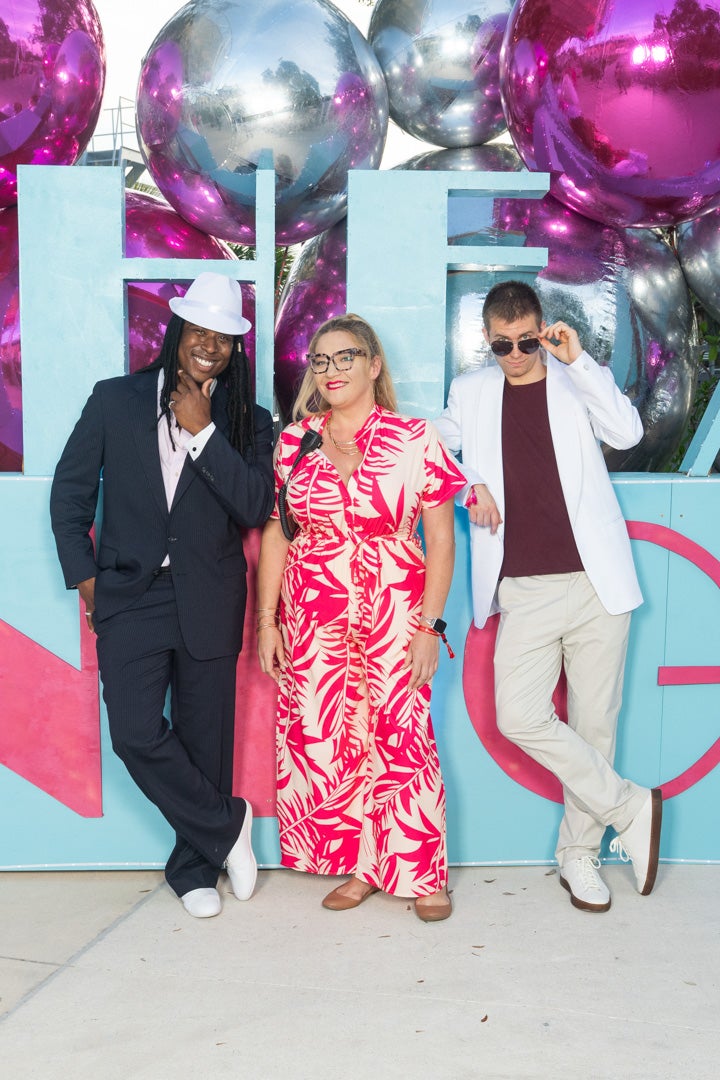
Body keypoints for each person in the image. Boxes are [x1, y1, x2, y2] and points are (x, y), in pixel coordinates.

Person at [50, 272, 274, 919]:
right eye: (199, 330)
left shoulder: (248, 421)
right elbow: (69, 496)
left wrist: (203, 433)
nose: (209, 345)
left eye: (223, 338)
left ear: (235, 348)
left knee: (206, 742)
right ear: (177, 330)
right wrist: (88, 581)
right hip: (130, 597)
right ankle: (229, 824)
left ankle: (194, 869)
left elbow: (255, 506)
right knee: (135, 732)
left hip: (210, 598)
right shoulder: (114, 400)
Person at [434, 280, 662, 913]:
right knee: (518, 715)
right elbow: (429, 448)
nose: (514, 354)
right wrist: (469, 484)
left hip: (596, 582)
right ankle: (629, 805)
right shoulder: (471, 392)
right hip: (525, 589)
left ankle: (579, 855)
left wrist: (579, 361)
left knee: (595, 725)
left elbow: (626, 432)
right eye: (501, 344)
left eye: (524, 341)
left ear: (542, 331)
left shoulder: (573, 378)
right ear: (487, 340)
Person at [256, 314, 466, 922]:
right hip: (314, 614)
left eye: (345, 357)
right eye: (321, 360)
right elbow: (279, 532)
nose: (332, 370)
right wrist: (267, 621)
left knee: (402, 736)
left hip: (395, 612)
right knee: (331, 739)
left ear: (374, 365)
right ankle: (362, 867)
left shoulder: (414, 438)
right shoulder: (295, 442)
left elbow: (440, 540)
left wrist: (430, 627)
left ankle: (423, 873)